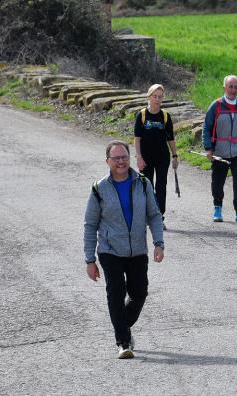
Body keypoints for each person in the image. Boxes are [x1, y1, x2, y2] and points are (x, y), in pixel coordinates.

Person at [84, 141, 165, 359]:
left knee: (139, 293)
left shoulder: (142, 183)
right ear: (107, 161)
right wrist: (89, 259)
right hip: (110, 250)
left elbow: (154, 215)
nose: (121, 161)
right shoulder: (99, 189)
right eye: (116, 158)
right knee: (116, 292)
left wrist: (159, 243)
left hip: (138, 249)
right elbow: (90, 225)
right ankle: (123, 341)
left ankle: (122, 325)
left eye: (124, 157)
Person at [202, 75, 237, 226]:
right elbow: (206, 128)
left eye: (235, 87)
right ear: (224, 88)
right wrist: (208, 148)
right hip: (219, 152)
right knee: (217, 182)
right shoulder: (216, 106)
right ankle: (217, 208)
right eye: (230, 86)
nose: (233, 90)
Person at [134, 83, 178, 230]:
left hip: (162, 157)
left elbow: (170, 138)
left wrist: (175, 156)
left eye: (160, 97)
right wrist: (138, 157)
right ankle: (149, 215)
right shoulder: (142, 115)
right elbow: (137, 138)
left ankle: (159, 217)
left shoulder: (165, 116)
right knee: (147, 186)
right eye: (155, 96)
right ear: (149, 97)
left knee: (161, 186)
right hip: (145, 157)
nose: (157, 99)